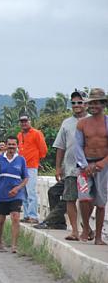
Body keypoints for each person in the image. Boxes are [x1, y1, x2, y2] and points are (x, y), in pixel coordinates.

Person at [35, 91, 89, 237]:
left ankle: (85, 228)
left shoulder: (92, 120)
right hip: (70, 169)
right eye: (74, 103)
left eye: (80, 102)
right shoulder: (67, 123)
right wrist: (58, 167)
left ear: (86, 103)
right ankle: (60, 223)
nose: (77, 105)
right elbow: (60, 147)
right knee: (60, 194)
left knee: (85, 200)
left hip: (89, 169)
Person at [75, 88, 108, 245]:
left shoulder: (107, 123)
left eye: (97, 103)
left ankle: (98, 237)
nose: (94, 106)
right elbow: (78, 146)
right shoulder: (82, 124)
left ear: (103, 104)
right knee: (84, 198)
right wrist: (84, 164)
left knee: (101, 201)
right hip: (85, 165)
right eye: (91, 103)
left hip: (103, 165)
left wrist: (103, 162)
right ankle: (86, 228)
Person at [0, 136, 29, 253]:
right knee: (1, 219)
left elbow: (26, 178)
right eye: (9, 144)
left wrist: (18, 188)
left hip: (16, 195)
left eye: (14, 144)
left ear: (17, 146)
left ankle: (14, 246)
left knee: (16, 217)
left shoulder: (21, 160)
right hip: (2, 194)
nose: (11, 147)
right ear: (6, 146)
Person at [17, 115, 48, 224]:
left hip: (31, 166)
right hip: (21, 167)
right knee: (23, 193)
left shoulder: (36, 133)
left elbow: (43, 149)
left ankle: (33, 216)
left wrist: (37, 159)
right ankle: (26, 215)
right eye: (22, 121)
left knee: (31, 192)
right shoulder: (19, 135)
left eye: (25, 121)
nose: (24, 123)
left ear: (30, 121)